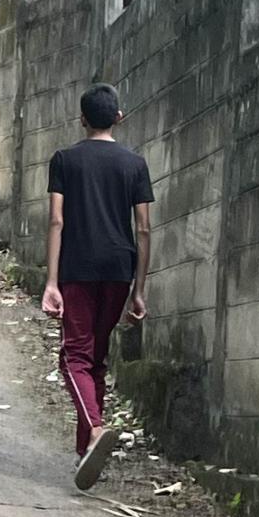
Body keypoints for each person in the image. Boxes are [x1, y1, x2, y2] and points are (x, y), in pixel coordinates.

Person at [41, 83, 153, 491]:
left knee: (73, 357)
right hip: (120, 268)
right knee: (96, 358)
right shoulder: (135, 163)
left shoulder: (64, 160)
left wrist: (51, 281)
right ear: (119, 117)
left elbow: (57, 221)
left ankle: (93, 428)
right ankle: (84, 449)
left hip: (78, 267)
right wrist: (139, 290)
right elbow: (143, 228)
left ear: (82, 119)